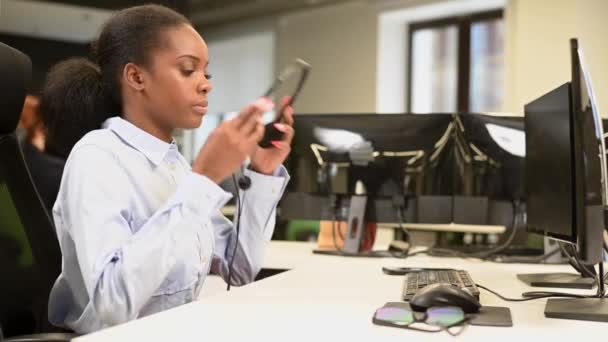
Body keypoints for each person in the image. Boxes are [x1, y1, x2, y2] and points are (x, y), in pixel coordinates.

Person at [47, 4, 294, 333]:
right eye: (188, 70)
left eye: (207, 73)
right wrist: (204, 179)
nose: (206, 85)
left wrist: (261, 175)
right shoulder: (96, 157)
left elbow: (239, 267)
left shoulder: (174, 167)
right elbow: (112, 304)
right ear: (136, 77)